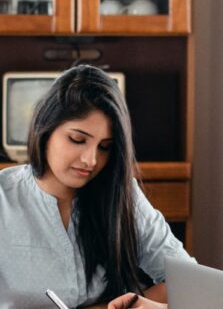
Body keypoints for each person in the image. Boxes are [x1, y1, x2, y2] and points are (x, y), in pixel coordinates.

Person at [0, 65, 193, 308]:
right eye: (77, 140)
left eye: (105, 147)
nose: (91, 160)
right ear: (45, 130)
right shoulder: (3, 197)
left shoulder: (121, 194)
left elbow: (188, 281)